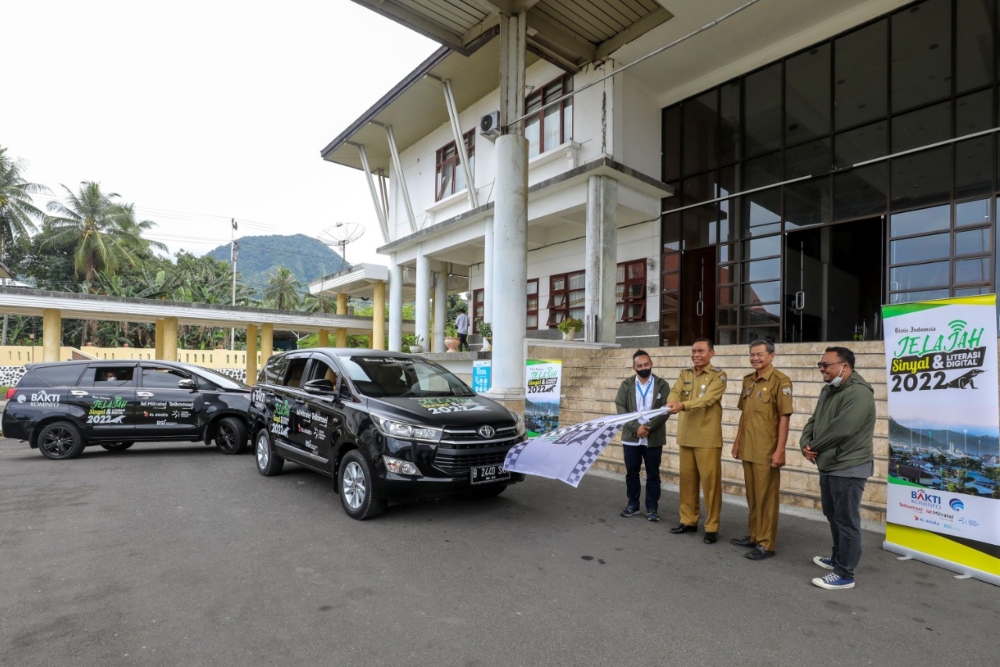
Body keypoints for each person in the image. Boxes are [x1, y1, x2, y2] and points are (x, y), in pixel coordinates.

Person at [800, 346, 876, 590]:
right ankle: (837, 558)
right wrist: (805, 443)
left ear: (845, 366)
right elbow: (814, 420)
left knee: (846, 520)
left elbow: (843, 428)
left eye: (826, 365)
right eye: (820, 365)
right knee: (833, 515)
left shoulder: (859, 393)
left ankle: (845, 573)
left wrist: (815, 447)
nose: (822, 369)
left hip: (849, 466)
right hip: (830, 463)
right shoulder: (828, 390)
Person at [730, 339, 793, 561]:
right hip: (749, 447)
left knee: (766, 498)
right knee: (753, 496)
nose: (755, 358)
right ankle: (755, 535)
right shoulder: (749, 381)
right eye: (752, 354)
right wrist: (737, 442)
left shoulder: (780, 381)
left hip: (767, 449)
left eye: (759, 354)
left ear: (772, 355)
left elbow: (784, 418)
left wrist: (780, 450)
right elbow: (744, 415)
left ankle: (767, 543)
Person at [665, 338, 728, 543]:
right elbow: (675, 390)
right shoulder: (685, 373)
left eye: (701, 351)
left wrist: (682, 406)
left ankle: (712, 526)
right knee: (687, 482)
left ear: (712, 353)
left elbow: (708, 399)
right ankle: (688, 520)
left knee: (710, 485)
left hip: (707, 438)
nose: (696, 355)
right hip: (686, 436)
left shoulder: (719, 376)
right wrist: (672, 401)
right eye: (693, 351)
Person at [615, 349, 671, 521]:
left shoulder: (662, 385)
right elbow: (621, 407)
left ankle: (652, 508)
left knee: (653, 474)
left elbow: (666, 410)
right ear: (634, 367)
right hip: (632, 437)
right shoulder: (626, 385)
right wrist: (635, 427)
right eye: (639, 365)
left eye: (646, 364)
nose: (643, 367)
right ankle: (633, 504)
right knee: (632, 473)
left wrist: (647, 427)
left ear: (651, 364)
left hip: (653, 436)